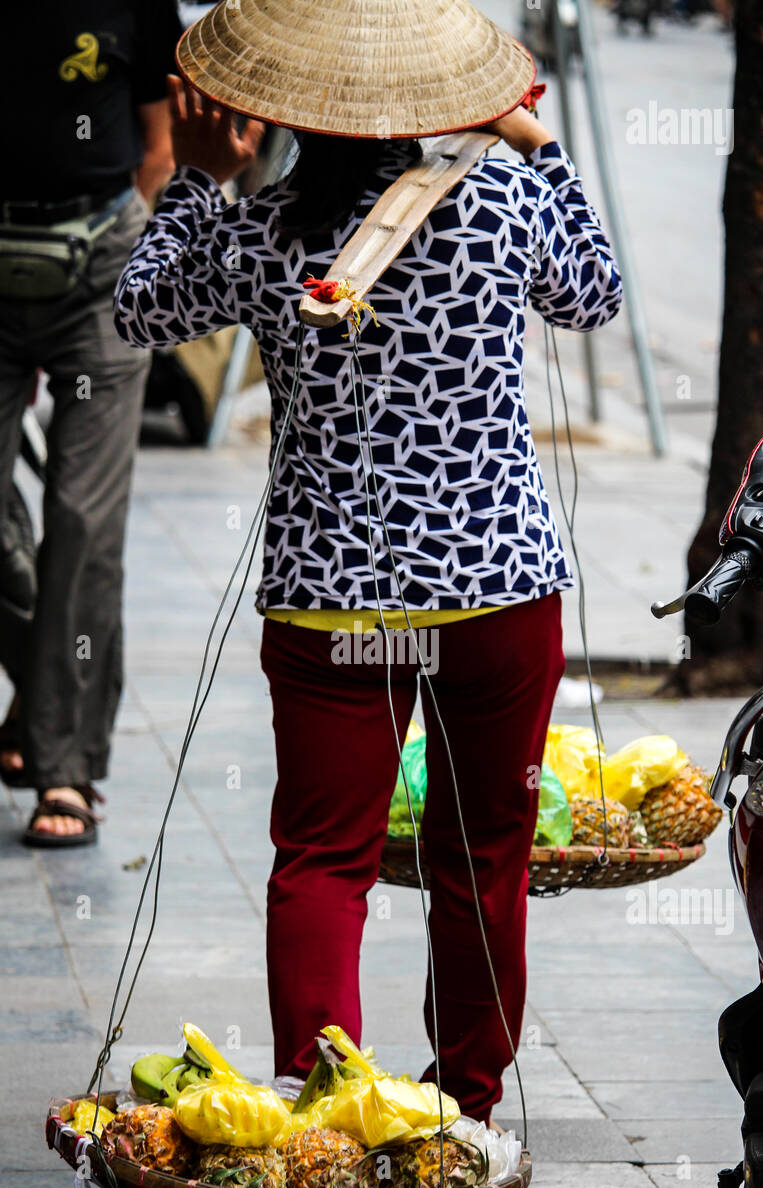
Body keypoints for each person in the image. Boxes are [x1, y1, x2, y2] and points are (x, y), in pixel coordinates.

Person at [114, 0, 622, 1124]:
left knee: (322, 860)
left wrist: (197, 176)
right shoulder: (500, 200)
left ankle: (324, 1119)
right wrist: (539, 145)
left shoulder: (266, 232)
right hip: (495, 593)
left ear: (290, 113)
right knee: (480, 857)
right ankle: (466, 1110)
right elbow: (593, 293)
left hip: (329, 604)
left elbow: (138, 310)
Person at [0, 2, 183, 845]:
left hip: (99, 279)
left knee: (83, 524)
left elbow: (158, 145)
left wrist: (132, 249)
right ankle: (39, 660)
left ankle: (67, 770)